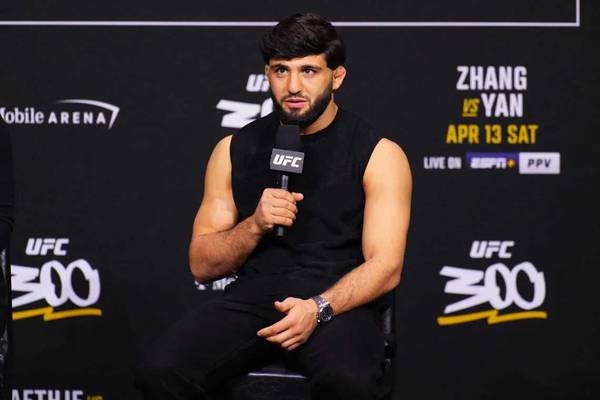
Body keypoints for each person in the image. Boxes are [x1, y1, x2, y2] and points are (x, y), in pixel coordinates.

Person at [135, 12, 412, 400]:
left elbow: (386, 266)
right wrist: (254, 225)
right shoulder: (233, 149)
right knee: (160, 370)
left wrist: (318, 308)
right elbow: (202, 264)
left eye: (309, 71)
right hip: (253, 299)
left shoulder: (379, 154)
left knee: (348, 382)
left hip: (335, 306)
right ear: (267, 74)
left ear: (337, 77)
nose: (293, 86)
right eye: (282, 70)